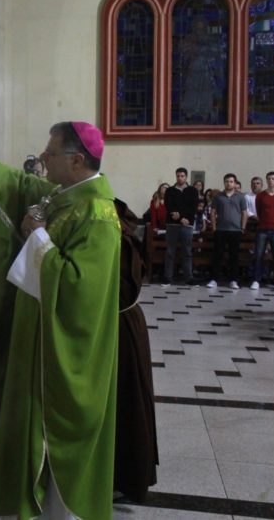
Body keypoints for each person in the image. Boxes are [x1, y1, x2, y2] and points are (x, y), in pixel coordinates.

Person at [0, 122, 121, 519]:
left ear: (76, 161)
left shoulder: (98, 215)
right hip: (36, 343)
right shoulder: (66, 196)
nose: (43, 159)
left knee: (55, 457)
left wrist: (38, 238)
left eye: (50, 153)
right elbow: (24, 186)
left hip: (59, 361)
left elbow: (79, 289)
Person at [113, 198, 158, 503]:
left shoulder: (114, 236)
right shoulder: (116, 226)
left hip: (120, 328)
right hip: (123, 324)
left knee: (125, 401)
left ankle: (122, 478)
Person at [207, 174, 249, 289]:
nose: (228, 183)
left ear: (235, 183)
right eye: (226, 181)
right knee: (217, 255)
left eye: (231, 181)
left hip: (235, 230)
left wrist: (243, 228)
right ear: (224, 182)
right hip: (220, 230)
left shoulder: (240, 197)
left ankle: (233, 280)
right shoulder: (218, 196)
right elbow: (213, 212)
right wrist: (214, 227)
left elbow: (244, 213)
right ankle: (214, 279)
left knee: (234, 256)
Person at [251, 171, 274, 291]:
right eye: (268, 179)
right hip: (262, 229)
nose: (271, 181)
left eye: (273, 179)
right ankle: (256, 280)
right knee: (259, 255)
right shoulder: (261, 196)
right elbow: (259, 210)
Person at [163, 167, 200, 286]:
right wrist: (180, 218)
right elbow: (169, 206)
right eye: (178, 176)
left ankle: (189, 277)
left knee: (187, 251)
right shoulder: (170, 191)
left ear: (186, 177)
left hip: (187, 224)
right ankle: (168, 277)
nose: (180, 178)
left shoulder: (192, 190)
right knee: (170, 251)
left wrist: (184, 217)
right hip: (172, 224)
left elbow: (193, 207)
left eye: (182, 176)